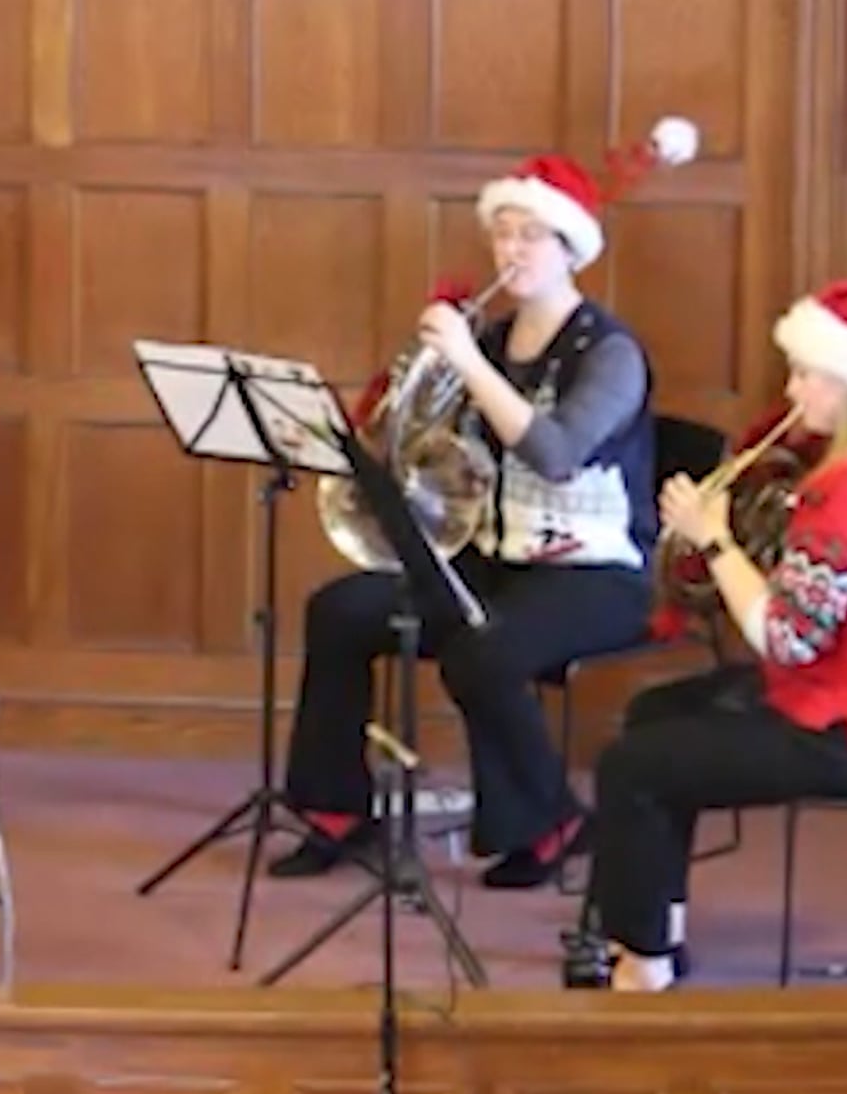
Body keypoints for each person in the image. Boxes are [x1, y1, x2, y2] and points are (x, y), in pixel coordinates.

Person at [274, 120, 698, 888]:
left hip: (597, 573)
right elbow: (434, 449)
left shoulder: (610, 353)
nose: (512, 251)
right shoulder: (492, 339)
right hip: (495, 555)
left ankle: (550, 821)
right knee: (339, 611)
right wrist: (405, 406)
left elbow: (555, 454)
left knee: (483, 649)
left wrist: (468, 364)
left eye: (532, 236)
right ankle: (335, 808)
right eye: (503, 234)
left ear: (571, 250)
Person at [571, 281, 847, 991]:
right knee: (656, 714)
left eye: (806, 374)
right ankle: (653, 924)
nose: (791, 390)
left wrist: (715, 539)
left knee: (632, 766)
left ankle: (643, 962)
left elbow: (786, 638)